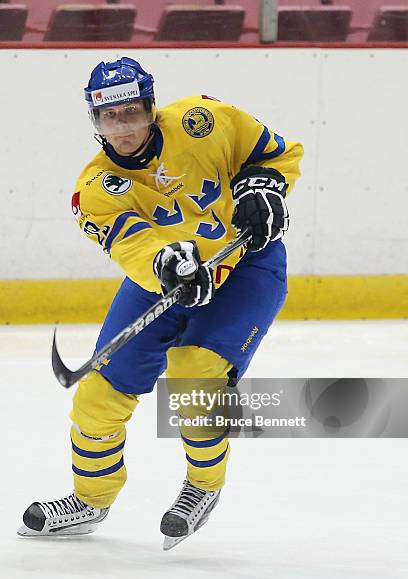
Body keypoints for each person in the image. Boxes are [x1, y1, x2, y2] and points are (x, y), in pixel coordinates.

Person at [18, 57, 303, 549]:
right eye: (110, 117)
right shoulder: (95, 188)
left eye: (132, 113)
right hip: (166, 280)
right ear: (95, 120)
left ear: (152, 108)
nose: (123, 127)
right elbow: (131, 244)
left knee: (194, 377)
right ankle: (90, 500)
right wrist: (166, 264)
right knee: (95, 397)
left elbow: (274, 153)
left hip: (246, 268)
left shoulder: (202, 121)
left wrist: (266, 188)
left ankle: (202, 486)